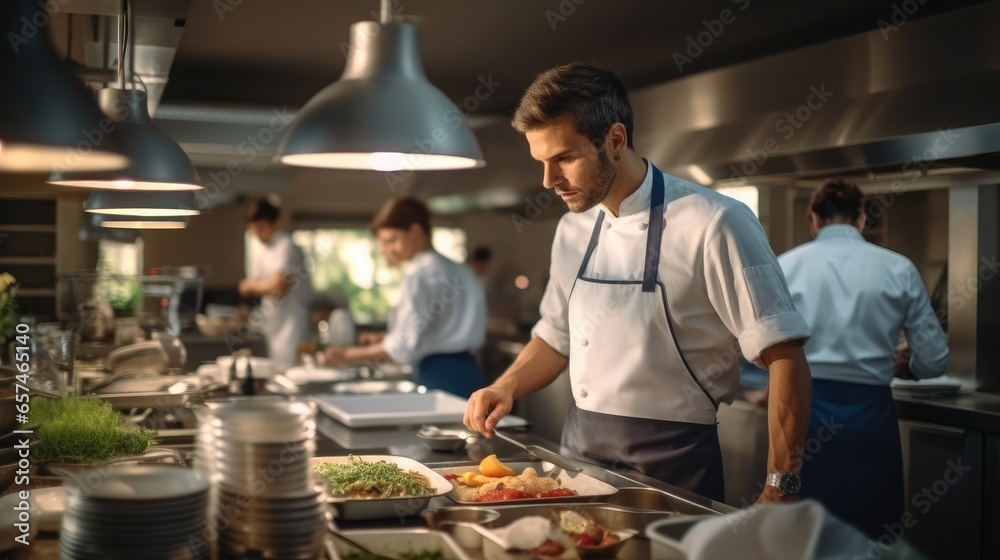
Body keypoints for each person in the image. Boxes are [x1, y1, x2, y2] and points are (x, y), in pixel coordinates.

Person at [463, 62, 813, 504]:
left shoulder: (716, 222)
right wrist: (505, 385)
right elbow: (555, 337)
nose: (549, 182)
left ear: (615, 140)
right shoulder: (572, 230)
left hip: (675, 467)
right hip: (579, 460)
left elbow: (786, 357)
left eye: (564, 159)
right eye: (542, 163)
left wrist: (781, 485)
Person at [777, 178, 949, 537]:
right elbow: (934, 360)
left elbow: (758, 349)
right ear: (861, 219)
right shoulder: (898, 267)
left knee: (804, 532)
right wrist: (908, 366)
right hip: (871, 419)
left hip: (802, 413)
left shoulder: (785, 267)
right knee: (872, 529)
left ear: (813, 218)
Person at [322, 197, 487, 398]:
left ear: (416, 232)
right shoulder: (459, 270)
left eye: (392, 240)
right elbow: (433, 328)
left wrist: (344, 355)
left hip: (440, 377)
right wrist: (385, 337)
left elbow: (401, 347)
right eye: (382, 243)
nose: (386, 250)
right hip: (469, 373)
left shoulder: (419, 273)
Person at [238, 196, 312, 369]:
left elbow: (279, 285)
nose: (257, 233)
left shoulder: (286, 245)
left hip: (292, 327)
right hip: (275, 326)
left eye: (261, 227)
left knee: (291, 372)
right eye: (253, 229)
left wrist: (248, 286)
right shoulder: (266, 249)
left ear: (276, 223)